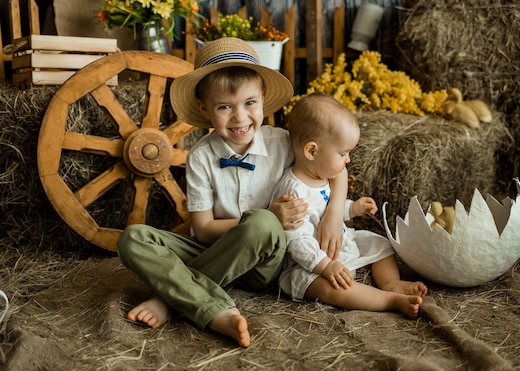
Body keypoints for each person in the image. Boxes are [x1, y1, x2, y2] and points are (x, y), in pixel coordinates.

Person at [116, 38, 348, 348]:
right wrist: (266, 215)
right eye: (225, 107)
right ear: (204, 108)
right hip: (217, 250)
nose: (240, 117)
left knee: (263, 224)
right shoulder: (200, 156)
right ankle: (208, 303)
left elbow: (337, 166)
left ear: (263, 99)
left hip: (266, 263)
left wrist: (333, 215)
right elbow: (203, 230)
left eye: (250, 103)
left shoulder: (283, 142)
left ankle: (171, 300)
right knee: (132, 239)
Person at [272, 93, 428, 318]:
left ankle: (391, 283)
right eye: (343, 153)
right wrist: (325, 266)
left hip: (341, 244)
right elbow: (297, 241)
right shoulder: (293, 190)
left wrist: (352, 208)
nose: (348, 160)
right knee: (331, 289)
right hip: (308, 263)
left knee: (382, 245)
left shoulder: (322, 175)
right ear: (312, 151)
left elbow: (325, 208)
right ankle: (389, 300)